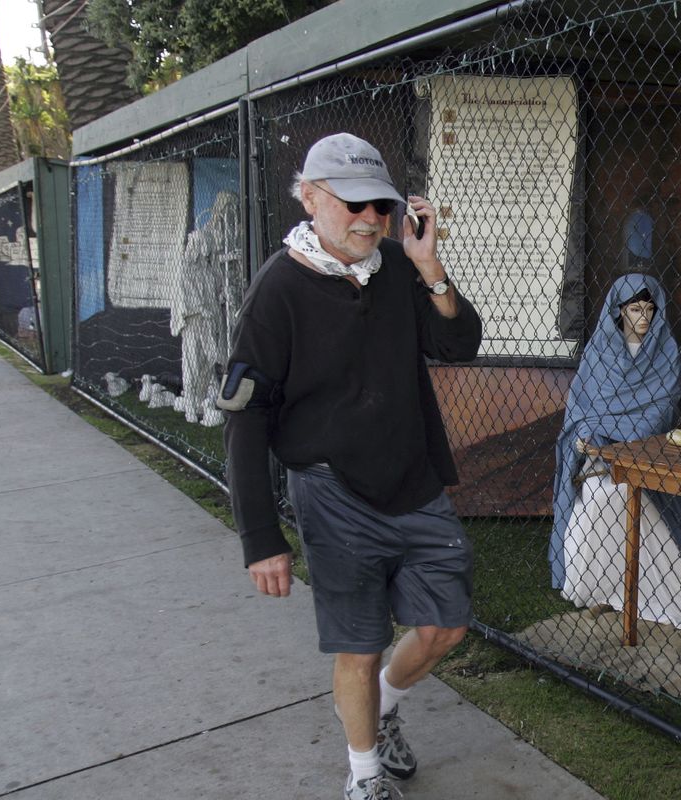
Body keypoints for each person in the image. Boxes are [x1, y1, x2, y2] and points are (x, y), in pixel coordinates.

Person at [220, 132, 482, 799]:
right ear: (310, 198)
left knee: (445, 625)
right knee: (358, 647)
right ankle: (364, 776)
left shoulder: (396, 266)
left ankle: (384, 706)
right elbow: (245, 415)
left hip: (413, 478)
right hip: (331, 489)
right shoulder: (276, 291)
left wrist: (429, 267)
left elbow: (457, 345)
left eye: (382, 208)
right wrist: (260, 539)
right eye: (353, 204)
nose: (369, 219)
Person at [551, 273, 681, 635]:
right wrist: (589, 434)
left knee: (630, 494)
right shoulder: (599, 350)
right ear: (619, 311)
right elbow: (582, 404)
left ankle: (654, 594)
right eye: (634, 308)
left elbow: (660, 412)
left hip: (647, 456)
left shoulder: (666, 350)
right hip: (600, 455)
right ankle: (600, 586)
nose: (643, 317)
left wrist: (620, 435)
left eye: (650, 309)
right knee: (598, 496)